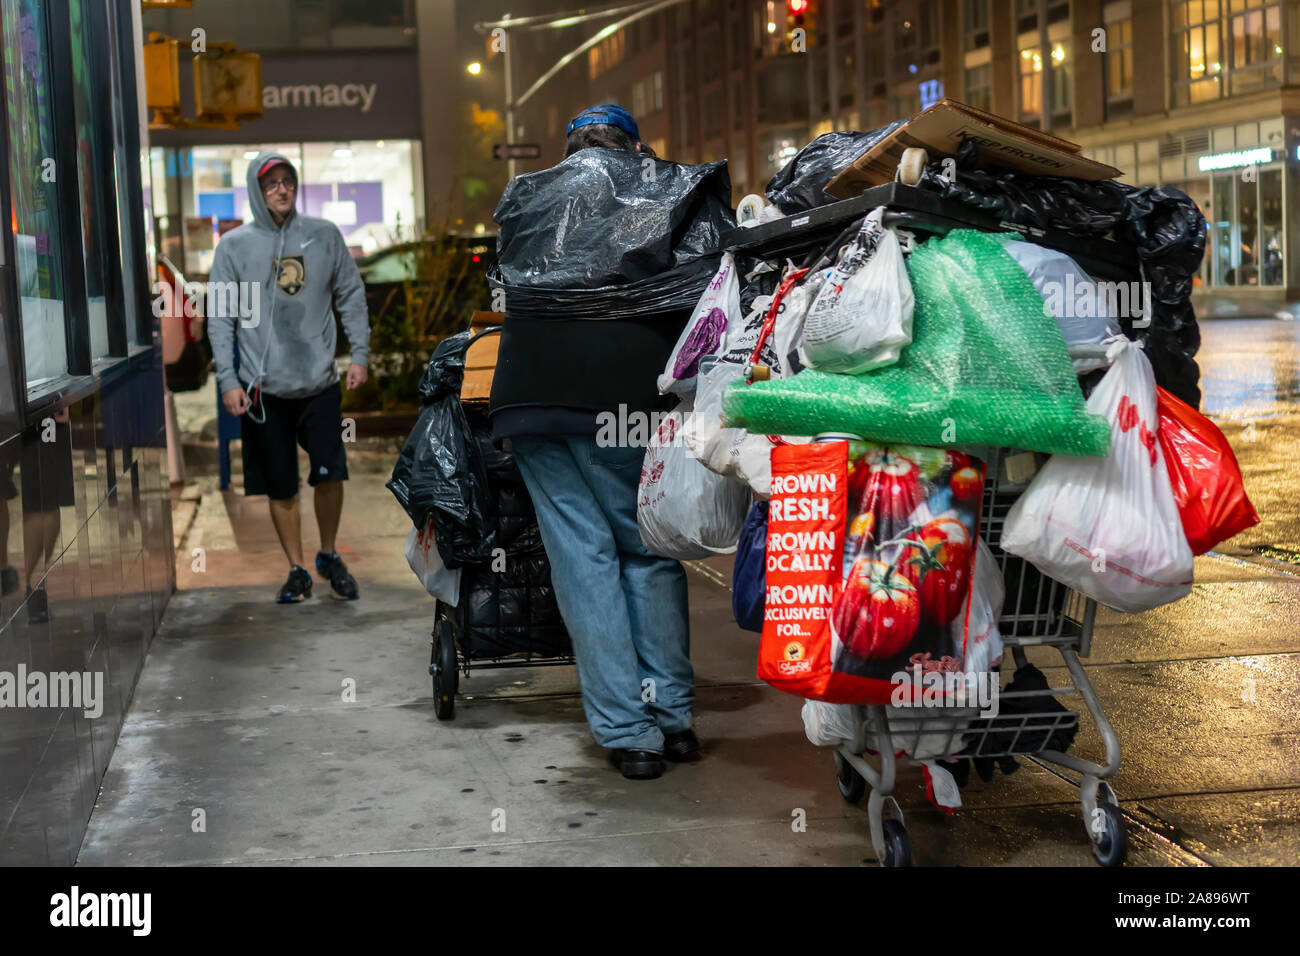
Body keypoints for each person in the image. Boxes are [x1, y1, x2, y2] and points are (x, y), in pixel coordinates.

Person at [490, 105, 698, 780]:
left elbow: (506, 288)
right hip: (624, 404)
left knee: (584, 562)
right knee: (647, 552)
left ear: (571, 146)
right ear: (636, 146)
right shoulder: (660, 190)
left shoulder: (526, 195)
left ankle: (628, 735)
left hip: (531, 405)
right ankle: (670, 716)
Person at [208, 151, 370, 603]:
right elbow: (220, 318)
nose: (281, 189)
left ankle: (329, 553)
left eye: (288, 181)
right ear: (257, 192)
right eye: (271, 183)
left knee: (330, 474)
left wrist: (359, 354)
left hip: (318, 381)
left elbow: (351, 295)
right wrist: (228, 380)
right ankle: (297, 569)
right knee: (281, 484)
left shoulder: (323, 235)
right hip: (263, 390)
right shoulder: (233, 247)